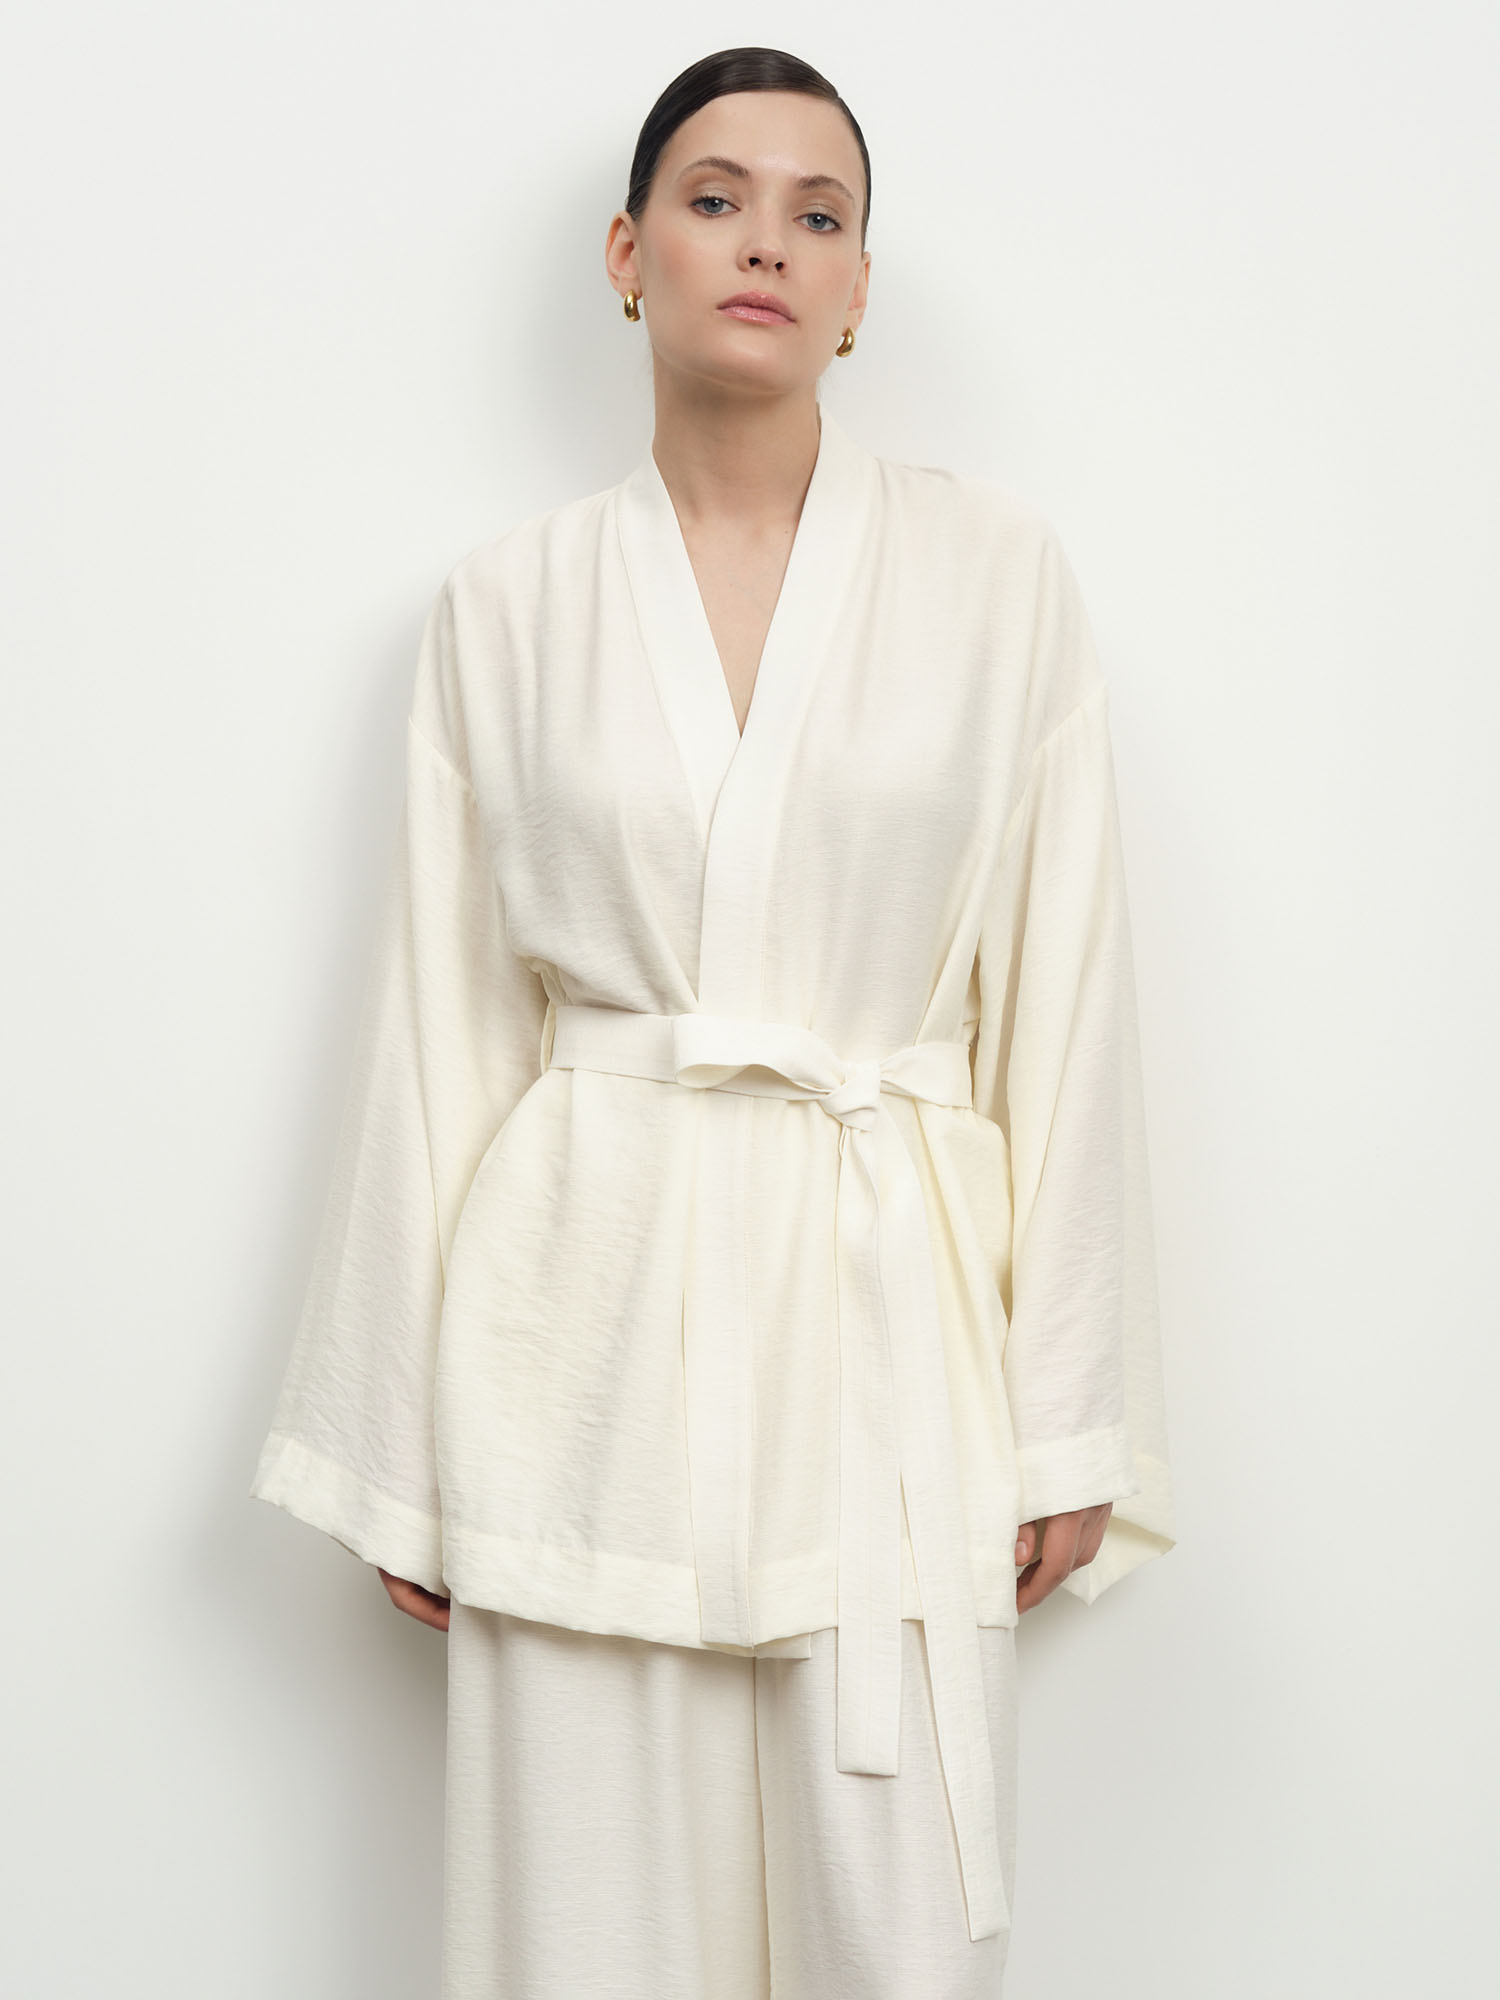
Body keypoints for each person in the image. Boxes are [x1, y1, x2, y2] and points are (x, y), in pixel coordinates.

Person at [250, 44, 1177, 1999]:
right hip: (576, 1363)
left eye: (818, 214)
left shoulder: (1000, 580)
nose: (768, 242)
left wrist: (1069, 1403)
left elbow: (1069, 994)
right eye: (716, 197)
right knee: (582, 1949)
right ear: (628, 254)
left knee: (897, 1946)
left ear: (860, 290)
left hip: (891, 1379)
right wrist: (398, 1443)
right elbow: (438, 1021)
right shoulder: (504, 607)